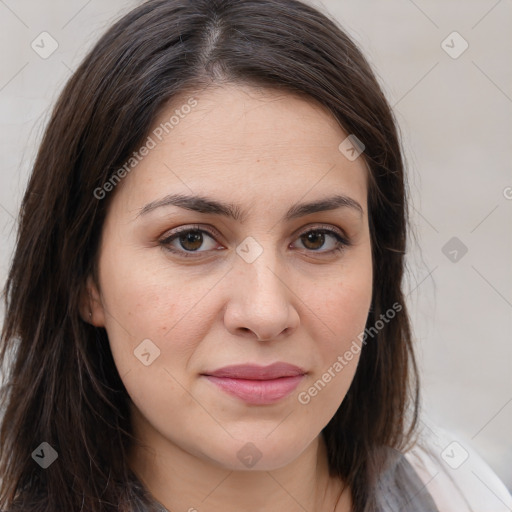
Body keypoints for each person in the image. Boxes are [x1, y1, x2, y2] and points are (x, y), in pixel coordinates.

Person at [0, 1, 510, 511]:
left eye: (317, 239)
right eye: (191, 239)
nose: (266, 313)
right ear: (85, 278)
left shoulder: (463, 494)